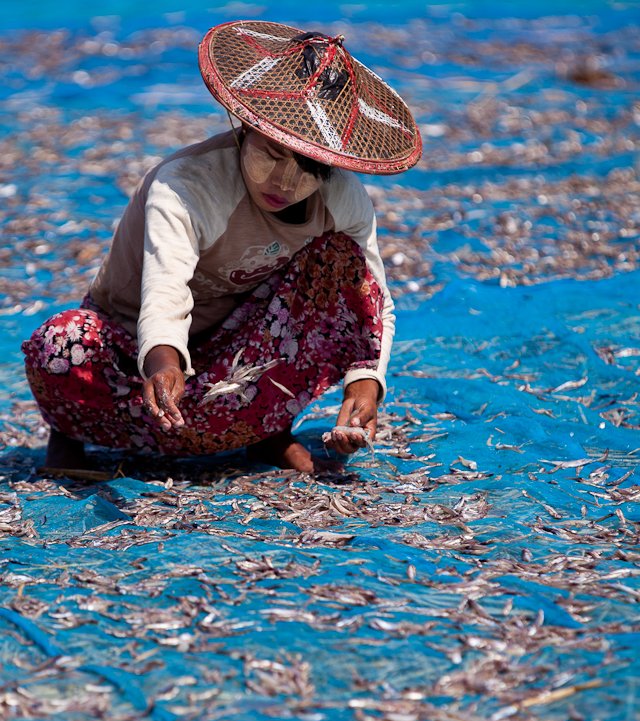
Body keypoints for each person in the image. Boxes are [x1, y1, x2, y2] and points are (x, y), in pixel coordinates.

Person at [22, 21, 421, 476]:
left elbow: (372, 304)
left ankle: (267, 432)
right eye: (271, 154)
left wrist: (365, 385)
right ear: (244, 128)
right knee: (63, 342)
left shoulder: (341, 199)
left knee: (337, 265)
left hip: (233, 355)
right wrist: (164, 363)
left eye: (309, 167)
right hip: (133, 346)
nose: (285, 182)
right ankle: (69, 434)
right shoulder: (186, 185)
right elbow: (165, 294)